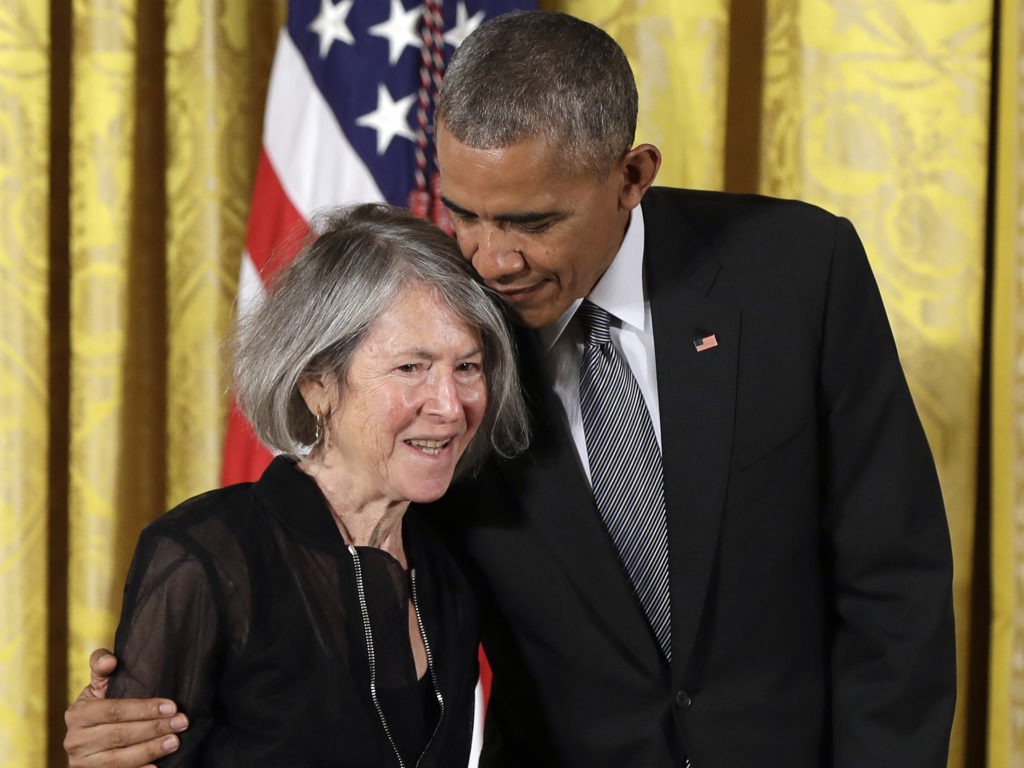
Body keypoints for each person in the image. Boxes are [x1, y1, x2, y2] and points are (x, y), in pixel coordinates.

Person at [65, 10, 956, 768]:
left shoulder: (796, 272)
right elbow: (335, 621)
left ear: (631, 177)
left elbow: (893, 580)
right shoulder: (453, 329)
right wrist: (144, 709)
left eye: (531, 222)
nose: (491, 259)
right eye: (465, 213)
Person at [64, 202, 529, 767]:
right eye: (412, 368)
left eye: (468, 367)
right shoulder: (204, 556)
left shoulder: (451, 568)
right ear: (317, 384)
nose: (450, 406)